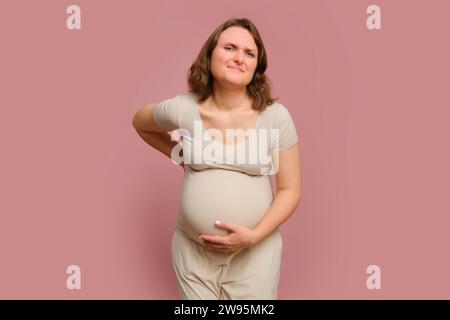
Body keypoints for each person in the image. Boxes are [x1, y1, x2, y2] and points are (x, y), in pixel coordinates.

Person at [132, 17, 302, 300]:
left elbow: (290, 189)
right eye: (230, 48)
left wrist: (255, 235)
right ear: (209, 54)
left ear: (256, 68)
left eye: (249, 53)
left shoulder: (276, 117)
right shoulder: (183, 108)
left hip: (255, 255)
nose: (239, 58)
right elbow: (140, 122)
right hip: (193, 255)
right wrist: (180, 154)